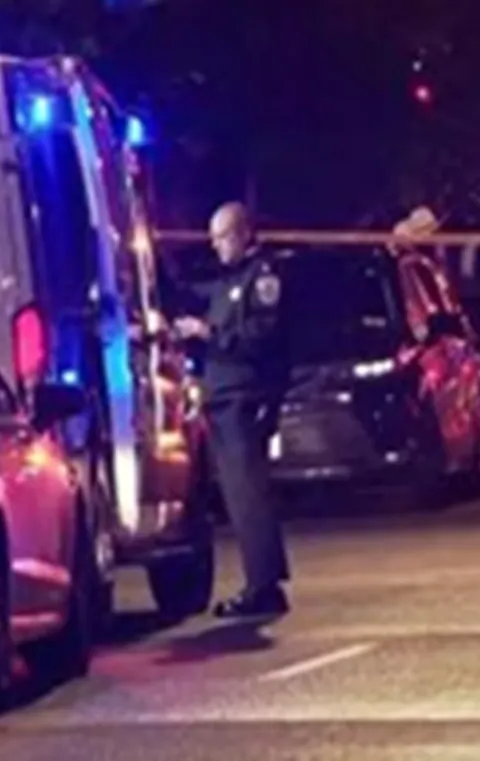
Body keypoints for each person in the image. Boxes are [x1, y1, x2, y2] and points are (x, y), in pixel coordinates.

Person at [170, 201, 292, 618]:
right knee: (239, 496)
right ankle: (261, 581)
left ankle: (264, 586)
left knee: (249, 493)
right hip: (222, 399)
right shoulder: (230, 278)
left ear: (243, 234)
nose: (216, 245)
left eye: (222, 237)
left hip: (244, 398)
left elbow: (260, 336)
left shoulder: (262, 278)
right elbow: (192, 292)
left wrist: (209, 332)